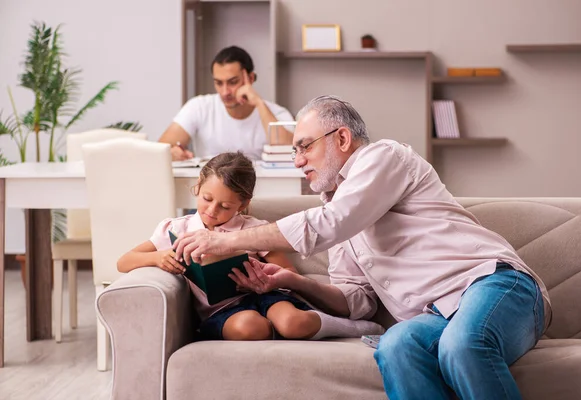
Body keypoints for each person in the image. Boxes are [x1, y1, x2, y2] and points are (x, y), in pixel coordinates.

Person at [172, 95, 552, 399]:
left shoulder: (383, 158)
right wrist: (293, 281)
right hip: (436, 314)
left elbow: (334, 223)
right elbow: (358, 300)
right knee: (395, 346)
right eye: (294, 152)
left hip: (494, 285)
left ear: (341, 138)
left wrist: (222, 239)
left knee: (461, 345)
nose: (298, 161)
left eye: (304, 146)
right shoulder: (336, 211)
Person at [117, 151, 383, 341]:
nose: (212, 210)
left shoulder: (254, 229)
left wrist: (260, 275)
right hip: (220, 310)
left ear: (242, 205)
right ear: (197, 188)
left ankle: (356, 328)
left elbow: (287, 270)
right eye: (207, 198)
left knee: (293, 322)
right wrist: (158, 257)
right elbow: (124, 261)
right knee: (250, 329)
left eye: (225, 206)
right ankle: (276, 330)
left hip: (266, 296)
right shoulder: (176, 229)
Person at [159, 46, 295, 161]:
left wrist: (259, 103)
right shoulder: (199, 107)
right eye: (219, 83)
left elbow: (287, 150)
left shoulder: (276, 113)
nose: (225, 92)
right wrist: (173, 152)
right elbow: (161, 148)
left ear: (251, 78)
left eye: (233, 82)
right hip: (210, 188)